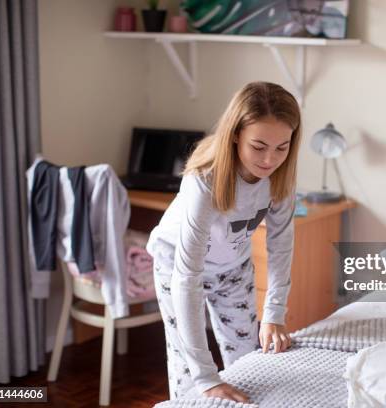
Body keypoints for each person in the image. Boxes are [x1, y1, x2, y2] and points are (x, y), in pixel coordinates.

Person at [147, 81, 301, 403]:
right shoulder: (205, 179)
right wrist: (206, 377)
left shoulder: (280, 178)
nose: (270, 160)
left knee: (248, 360)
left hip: (233, 266)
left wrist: (274, 313)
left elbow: (281, 246)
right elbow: (187, 276)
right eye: (258, 146)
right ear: (235, 134)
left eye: (281, 147)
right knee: (189, 372)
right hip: (179, 265)